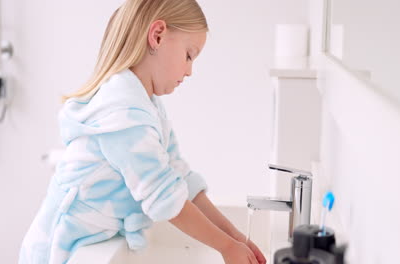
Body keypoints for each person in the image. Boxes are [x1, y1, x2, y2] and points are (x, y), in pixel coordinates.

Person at [19, 0, 266, 263]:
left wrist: (237, 239)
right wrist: (226, 246)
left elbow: (180, 179)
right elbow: (164, 198)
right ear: (157, 36)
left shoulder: (148, 106)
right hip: (60, 249)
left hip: (89, 244)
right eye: (189, 55)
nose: (190, 70)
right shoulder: (122, 108)